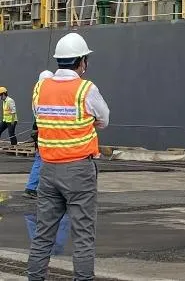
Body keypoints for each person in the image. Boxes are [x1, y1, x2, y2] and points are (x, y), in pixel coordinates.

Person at [27, 32, 110, 281]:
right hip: (78, 171)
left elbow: (40, 115)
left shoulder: (41, 87)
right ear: (81, 62)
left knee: (43, 234)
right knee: (83, 235)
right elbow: (104, 119)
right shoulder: (86, 88)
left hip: (48, 170)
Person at [24, 70, 55, 199]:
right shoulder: (47, 94)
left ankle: (33, 187)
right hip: (45, 131)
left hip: (39, 129)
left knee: (41, 159)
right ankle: (32, 188)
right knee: (43, 159)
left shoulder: (37, 92)